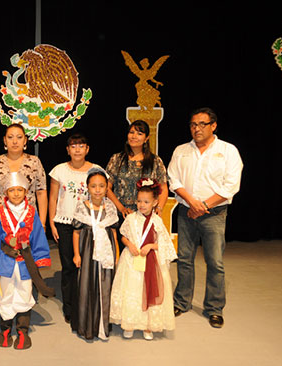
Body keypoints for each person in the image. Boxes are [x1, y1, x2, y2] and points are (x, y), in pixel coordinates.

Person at [168, 107, 243, 329]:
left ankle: (214, 308)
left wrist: (203, 206)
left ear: (213, 126)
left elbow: (231, 186)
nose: (197, 129)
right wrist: (192, 203)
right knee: (184, 260)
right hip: (186, 212)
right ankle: (181, 302)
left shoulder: (228, 151)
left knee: (215, 262)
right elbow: (174, 180)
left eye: (202, 124)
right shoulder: (181, 150)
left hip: (215, 214)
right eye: (193, 124)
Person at [0, 172, 54, 350]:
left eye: (19, 190)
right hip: (6, 260)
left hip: (25, 262)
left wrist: (40, 258)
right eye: (11, 190)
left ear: (26, 191)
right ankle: (5, 330)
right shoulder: (0, 212)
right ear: (6, 192)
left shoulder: (31, 212)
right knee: (5, 293)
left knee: (24, 291)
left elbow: (37, 236)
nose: (15, 194)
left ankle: (22, 331)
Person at [110, 178, 177, 340]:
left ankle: (148, 325)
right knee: (131, 291)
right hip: (131, 261)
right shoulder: (131, 218)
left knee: (148, 290)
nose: (142, 205)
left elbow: (164, 243)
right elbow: (123, 236)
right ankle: (130, 323)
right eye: (139, 201)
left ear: (155, 202)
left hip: (150, 263)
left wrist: (151, 247)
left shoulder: (157, 221)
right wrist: (129, 244)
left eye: (146, 202)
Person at [48, 133, 105, 323]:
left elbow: (104, 194)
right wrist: (52, 222)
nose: (77, 149)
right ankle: (70, 307)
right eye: (73, 146)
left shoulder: (97, 170)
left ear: (87, 149)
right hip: (65, 223)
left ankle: (89, 303)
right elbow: (53, 198)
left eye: (81, 145)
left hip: (89, 225)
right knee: (69, 267)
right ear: (68, 150)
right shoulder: (59, 170)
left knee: (89, 264)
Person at [70, 168, 119, 340]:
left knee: (106, 285)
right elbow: (76, 233)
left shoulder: (110, 207)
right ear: (87, 188)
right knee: (86, 285)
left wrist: (116, 254)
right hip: (87, 252)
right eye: (93, 186)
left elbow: (113, 232)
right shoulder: (82, 207)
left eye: (101, 186)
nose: (97, 190)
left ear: (107, 187)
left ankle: (103, 324)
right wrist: (77, 254)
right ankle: (87, 325)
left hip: (106, 252)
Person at [105, 120, 168, 251]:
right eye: (131, 132)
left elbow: (163, 188)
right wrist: (121, 208)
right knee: (125, 253)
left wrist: (159, 208)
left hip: (146, 215)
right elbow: (107, 188)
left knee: (144, 254)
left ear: (146, 138)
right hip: (122, 216)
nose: (134, 136)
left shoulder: (156, 161)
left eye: (139, 133)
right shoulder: (117, 159)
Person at [0, 123, 48, 228]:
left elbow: (41, 192)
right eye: (10, 137)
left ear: (25, 140)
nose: (15, 141)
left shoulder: (34, 162)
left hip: (29, 220)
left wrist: (42, 222)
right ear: (5, 140)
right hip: (2, 218)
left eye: (19, 137)